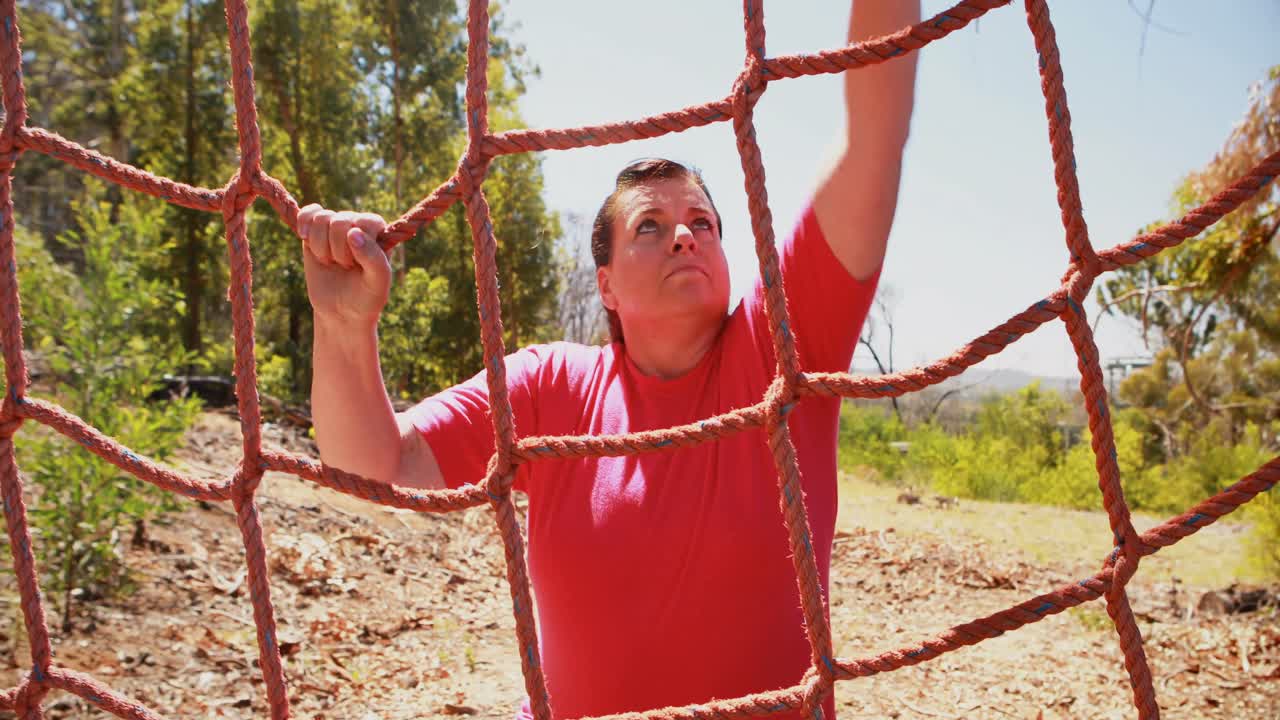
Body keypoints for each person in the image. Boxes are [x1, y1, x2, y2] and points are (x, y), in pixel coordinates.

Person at [298, 3, 918, 717]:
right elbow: (372, 466)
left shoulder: (781, 352)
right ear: (606, 286)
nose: (684, 235)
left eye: (703, 223)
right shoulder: (550, 387)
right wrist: (343, 331)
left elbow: (874, 134)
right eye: (649, 227)